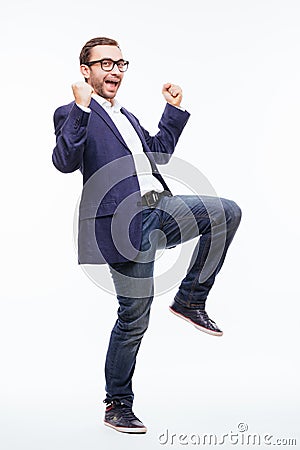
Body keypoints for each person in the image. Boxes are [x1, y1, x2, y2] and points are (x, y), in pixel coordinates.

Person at [52, 36, 241, 434]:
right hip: (122, 225)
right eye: (105, 64)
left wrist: (173, 111)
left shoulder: (127, 115)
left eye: (120, 64)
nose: (115, 70)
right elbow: (65, 160)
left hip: (158, 208)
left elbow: (157, 156)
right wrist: (82, 108)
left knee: (225, 212)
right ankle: (117, 404)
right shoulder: (72, 112)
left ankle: (190, 300)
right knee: (134, 318)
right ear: (85, 71)